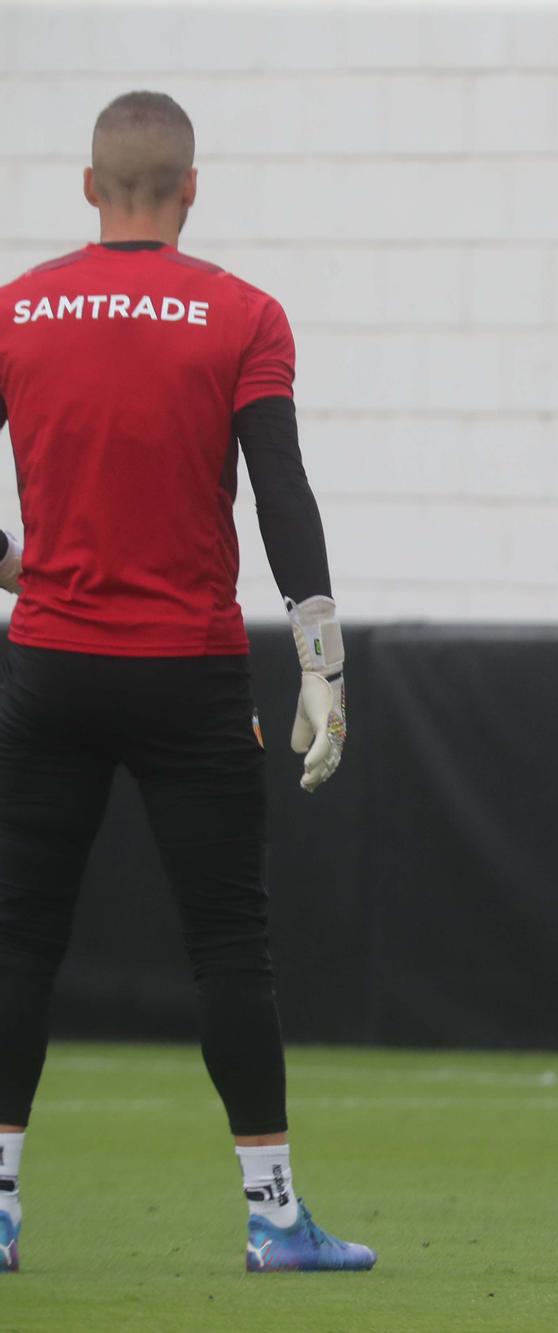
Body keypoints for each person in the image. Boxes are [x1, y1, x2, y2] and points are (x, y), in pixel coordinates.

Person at [0, 91, 370, 1273]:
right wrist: (322, 658)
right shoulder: (242, 314)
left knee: (16, 942)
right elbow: (282, 493)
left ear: (88, 185)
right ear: (191, 189)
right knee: (227, 946)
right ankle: (273, 1219)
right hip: (188, 672)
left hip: (47, 664)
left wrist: (25, 570)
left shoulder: (14, 310)